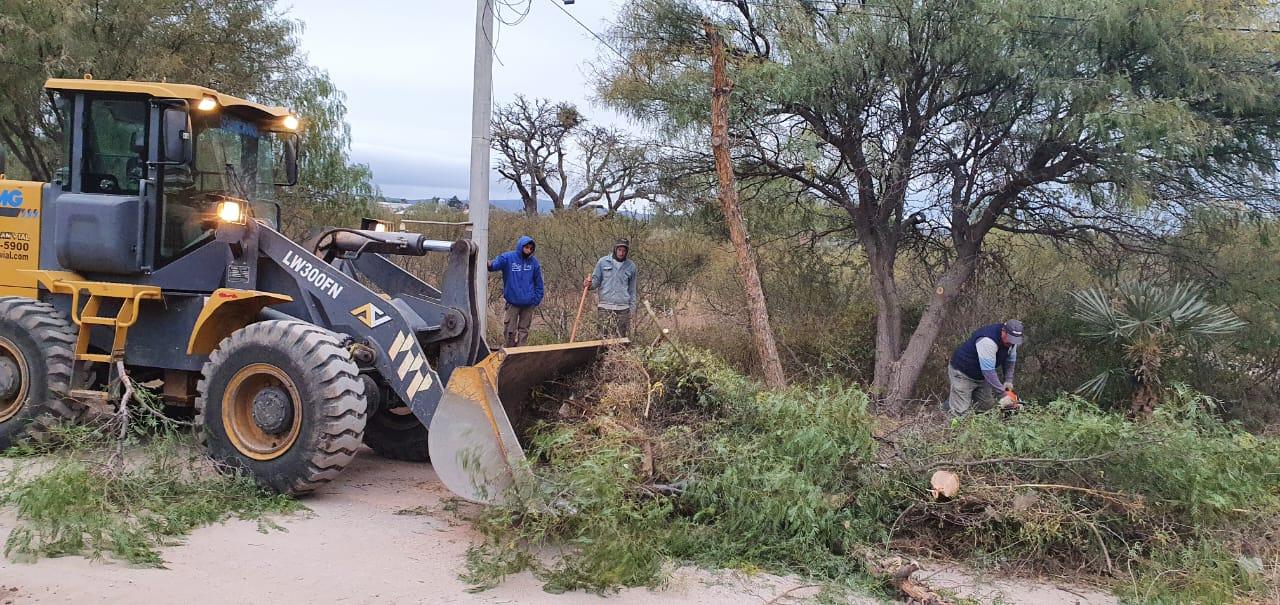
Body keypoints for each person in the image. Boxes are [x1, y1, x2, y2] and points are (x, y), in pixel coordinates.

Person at [944, 319, 1024, 416]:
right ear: (1003, 331)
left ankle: (953, 403)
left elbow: (1010, 361)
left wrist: (1008, 380)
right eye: (1010, 339)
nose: (1012, 342)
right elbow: (988, 371)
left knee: (986, 408)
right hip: (962, 372)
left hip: (981, 376)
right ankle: (949, 418)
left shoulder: (1011, 342)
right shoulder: (988, 341)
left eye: (1014, 340)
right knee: (960, 412)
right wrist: (1003, 395)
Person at [488, 235, 543, 347]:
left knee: (524, 331)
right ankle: (509, 351)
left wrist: (535, 300)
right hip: (513, 303)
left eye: (531, 248)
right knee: (509, 330)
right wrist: (488, 263)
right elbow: (494, 266)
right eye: (526, 247)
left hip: (528, 304)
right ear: (521, 246)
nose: (528, 250)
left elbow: (539, 283)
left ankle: (520, 354)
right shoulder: (508, 258)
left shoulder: (533, 262)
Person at [583, 238, 638, 338]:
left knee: (620, 340)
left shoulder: (631, 266)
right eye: (619, 250)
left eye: (624, 251)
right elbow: (595, 282)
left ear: (627, 252)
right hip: (605, 307)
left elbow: (632, 290)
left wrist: (632, 310)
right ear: (615, 249)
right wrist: (589, 284)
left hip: (623, 309)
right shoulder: (603, 262)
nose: (621, 253)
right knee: (602, 339)